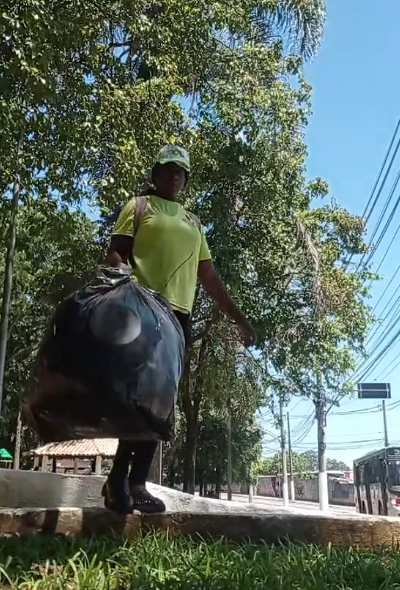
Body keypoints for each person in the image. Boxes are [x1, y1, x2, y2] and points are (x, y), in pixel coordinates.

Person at [103, 144, 257, 514]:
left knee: (162, 401)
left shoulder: (194, 223)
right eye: (168, 169)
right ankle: (119, 480)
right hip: (140, 308)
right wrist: (117, 287)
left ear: (186, 179)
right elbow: (116, 253)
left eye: (181, 172)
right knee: (140, 397)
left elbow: (208, 277)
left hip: (178, 318)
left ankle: (134, 482)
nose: (174, 176)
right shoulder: (138, 207)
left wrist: (240, 319)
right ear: (155, 174)